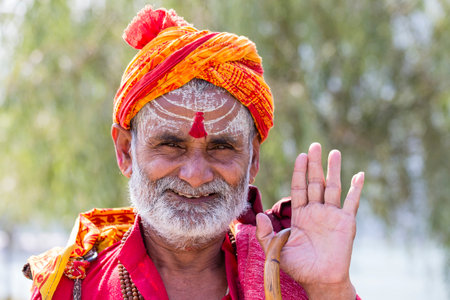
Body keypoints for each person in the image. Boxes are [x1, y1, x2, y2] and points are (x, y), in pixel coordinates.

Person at [23, 6, 364, 300]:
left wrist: (330, 288)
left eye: (222, 147)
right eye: (171, 146)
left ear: (253, 160)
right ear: (126, 151)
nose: (196, 174)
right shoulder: (70, 285)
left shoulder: (298, 278)